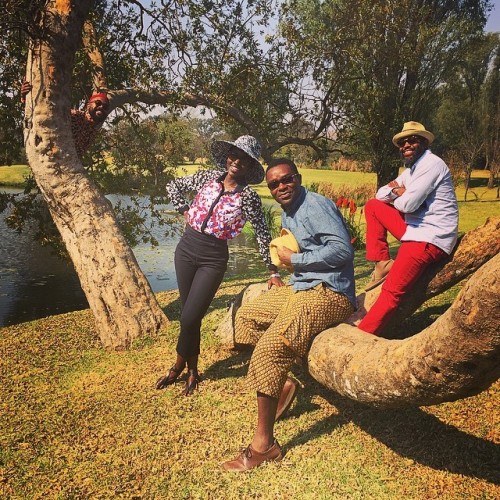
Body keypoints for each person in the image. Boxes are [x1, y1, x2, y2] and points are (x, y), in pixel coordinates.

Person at [222, 158, 356, 472]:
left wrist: (296, 259)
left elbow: (343, 251)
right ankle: (282, 383)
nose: (281, 187)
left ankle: (264, 447)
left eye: (286, 180)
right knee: (247, 317)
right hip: (301, 287)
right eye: (273, 184)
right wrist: (282, 268)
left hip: (328, 292)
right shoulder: (289, 210)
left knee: (270, 351)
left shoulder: (316, 206)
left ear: (297, 177)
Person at [156, 136, 283, 396]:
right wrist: (185, 211)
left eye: (244, 158)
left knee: (190, 316)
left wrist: (272, 269)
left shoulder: (247, 197)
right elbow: (173, 186)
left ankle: (178, 364)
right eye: (234, 154)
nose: (236, 161)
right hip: (186, 249)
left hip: (213, 258)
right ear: (228, 156)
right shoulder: (207, 178)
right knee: (190, 316)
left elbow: (261, 231)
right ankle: (193, 370)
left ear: (249, 165)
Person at [358, 121, 458, 335]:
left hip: (430, 236)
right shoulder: (412, 169)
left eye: (412, 140)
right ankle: (383, 263)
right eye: (402, 142)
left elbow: (408, 205)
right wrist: (399, 192)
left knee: (392, 292)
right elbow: (380, 194)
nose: (406, 145)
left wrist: (401, 194)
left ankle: (361, 335)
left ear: (423, 142)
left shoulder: (431, 164)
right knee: (373, 206)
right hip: (415, 228)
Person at [21, 81, 110, 158]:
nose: (101, 107)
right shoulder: (74, 116)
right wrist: (26, 98)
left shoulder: (92, 131)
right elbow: (45, 116)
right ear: (88, 105)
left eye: (105, 107)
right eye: (98, 103)